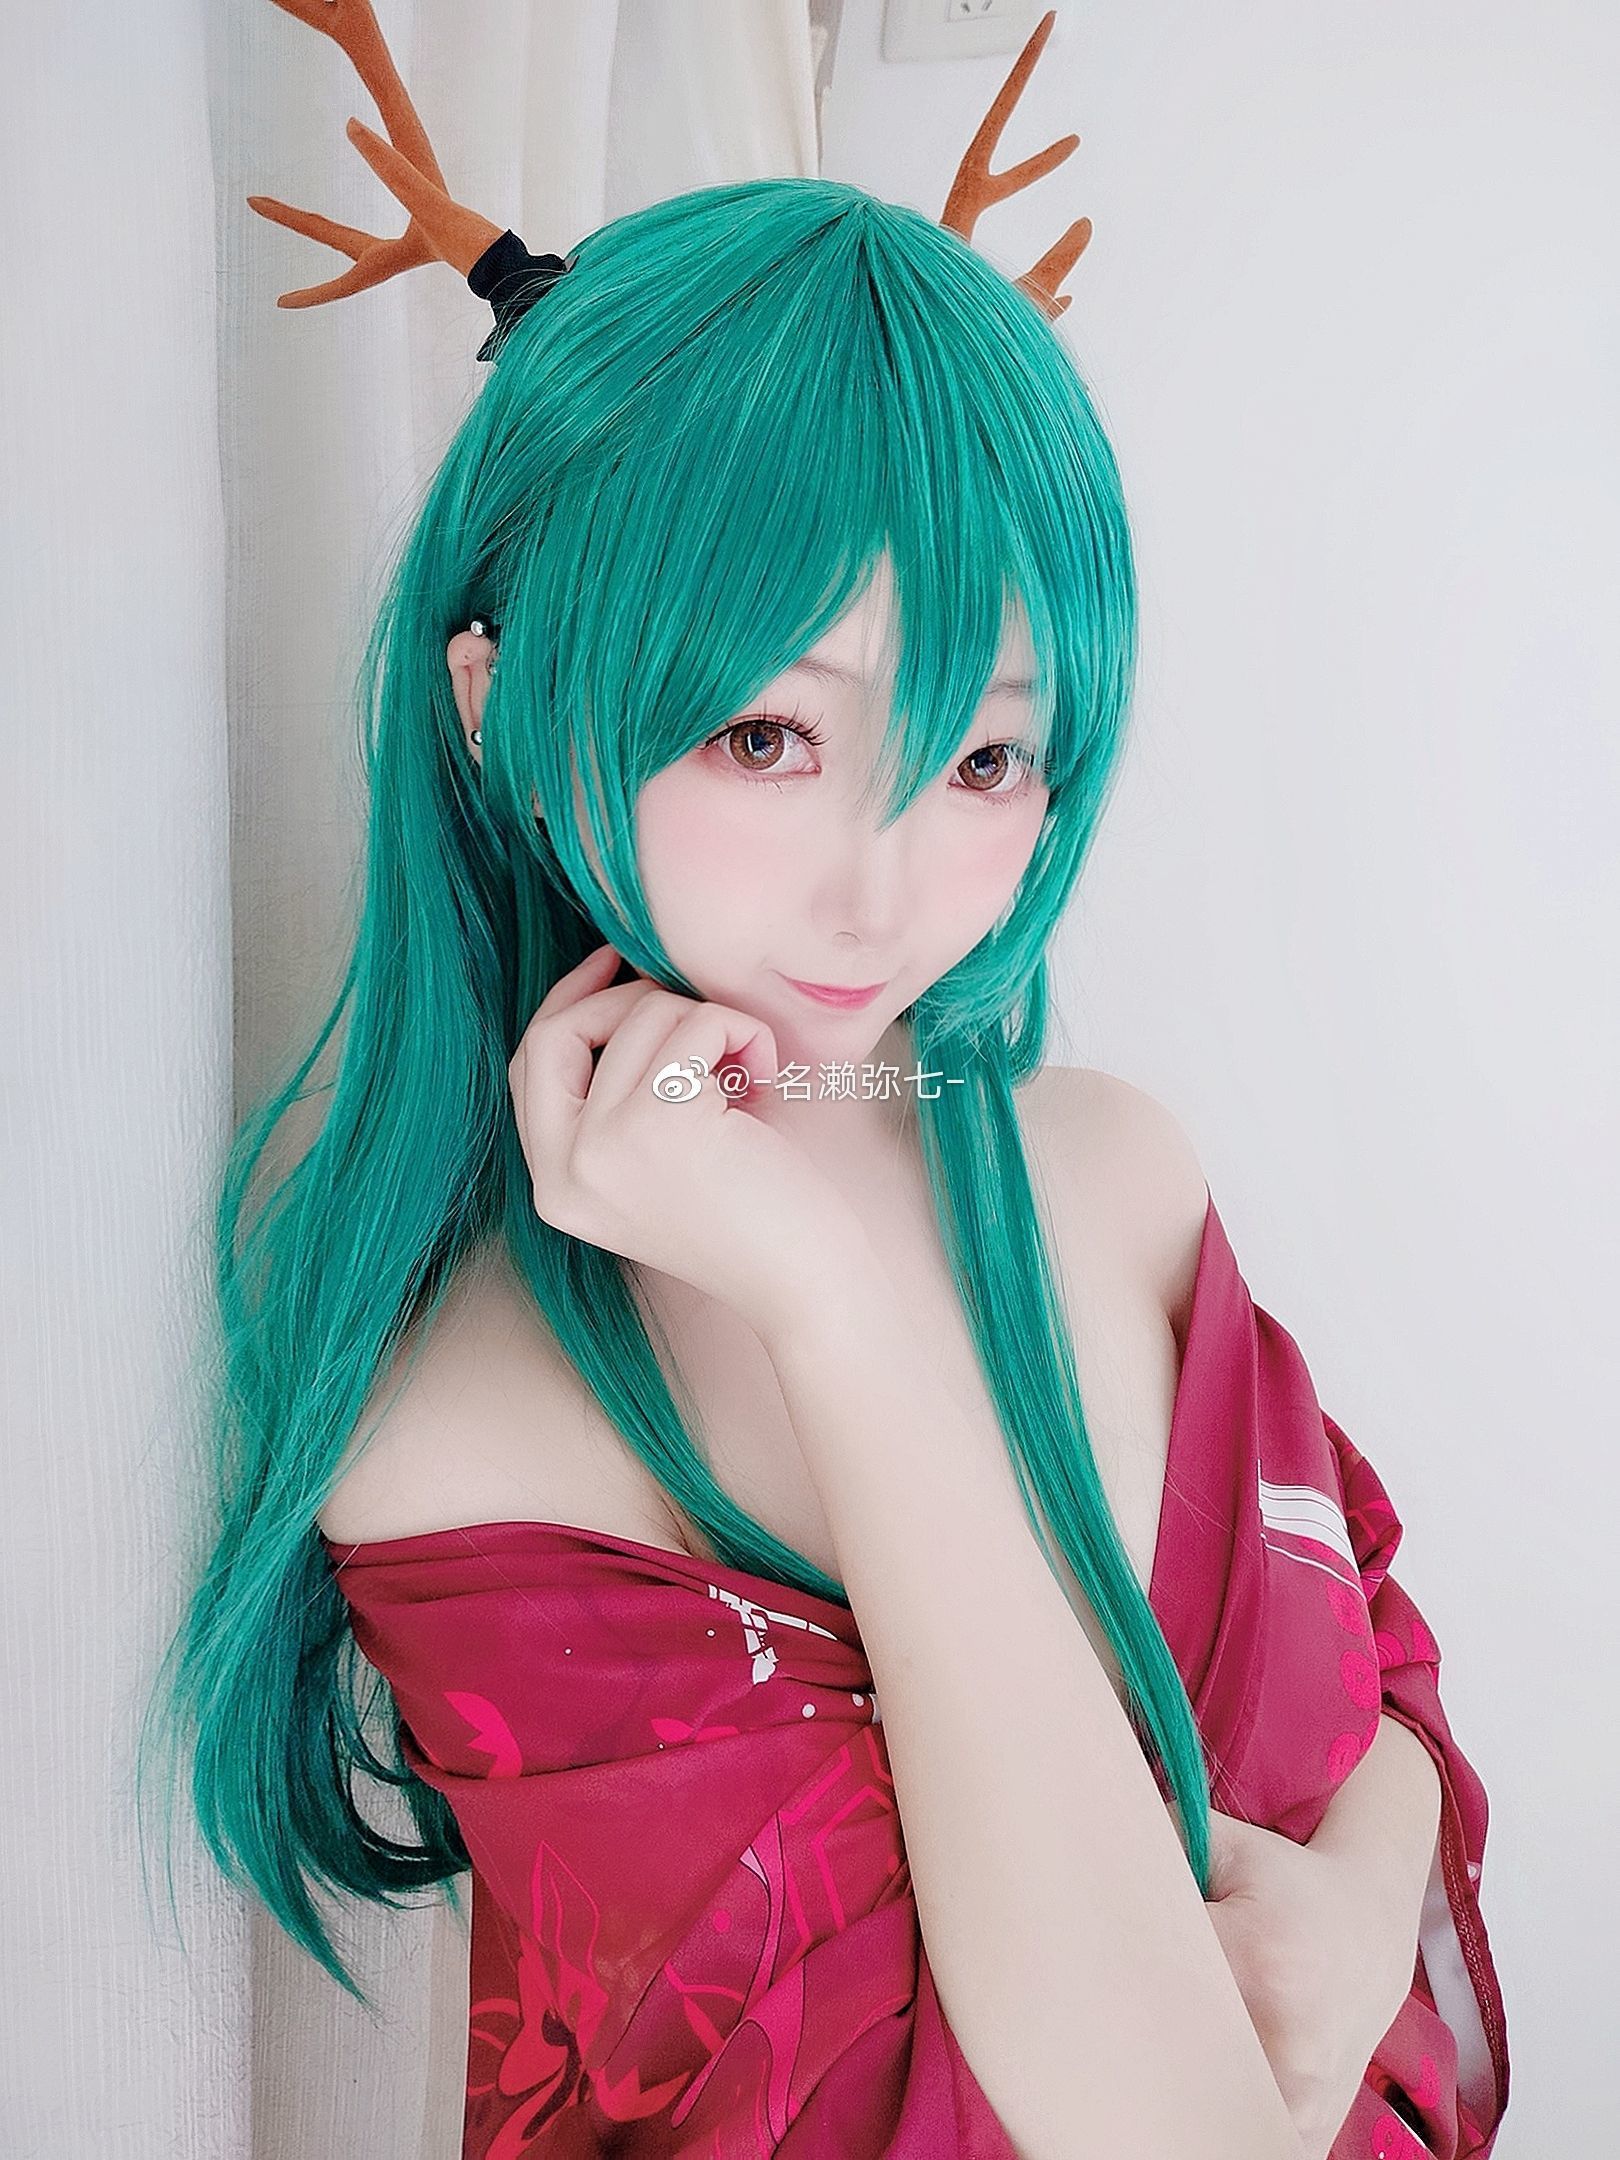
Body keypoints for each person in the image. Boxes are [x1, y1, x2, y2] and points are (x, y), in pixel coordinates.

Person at [140, 8, 1509, 2156]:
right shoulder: (471, 1431)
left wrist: (1351, 1909)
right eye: (769, 736)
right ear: (499, 704)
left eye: (983, 757)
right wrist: (839, 1311)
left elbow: (1383, 1665)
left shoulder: (1112, 1173)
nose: (883, 889)